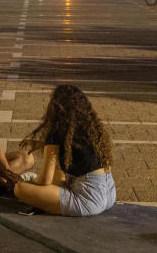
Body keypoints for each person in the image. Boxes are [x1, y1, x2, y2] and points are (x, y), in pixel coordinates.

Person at [13, 84, 116, 216]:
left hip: (89, 200)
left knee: (20, 189)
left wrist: (32, 184)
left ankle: (44, 201)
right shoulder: (92, 127)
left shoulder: (57, 130)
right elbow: (76, 150)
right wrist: (43, 145)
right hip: (109, 193)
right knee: (57, 177)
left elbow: (45, 180)